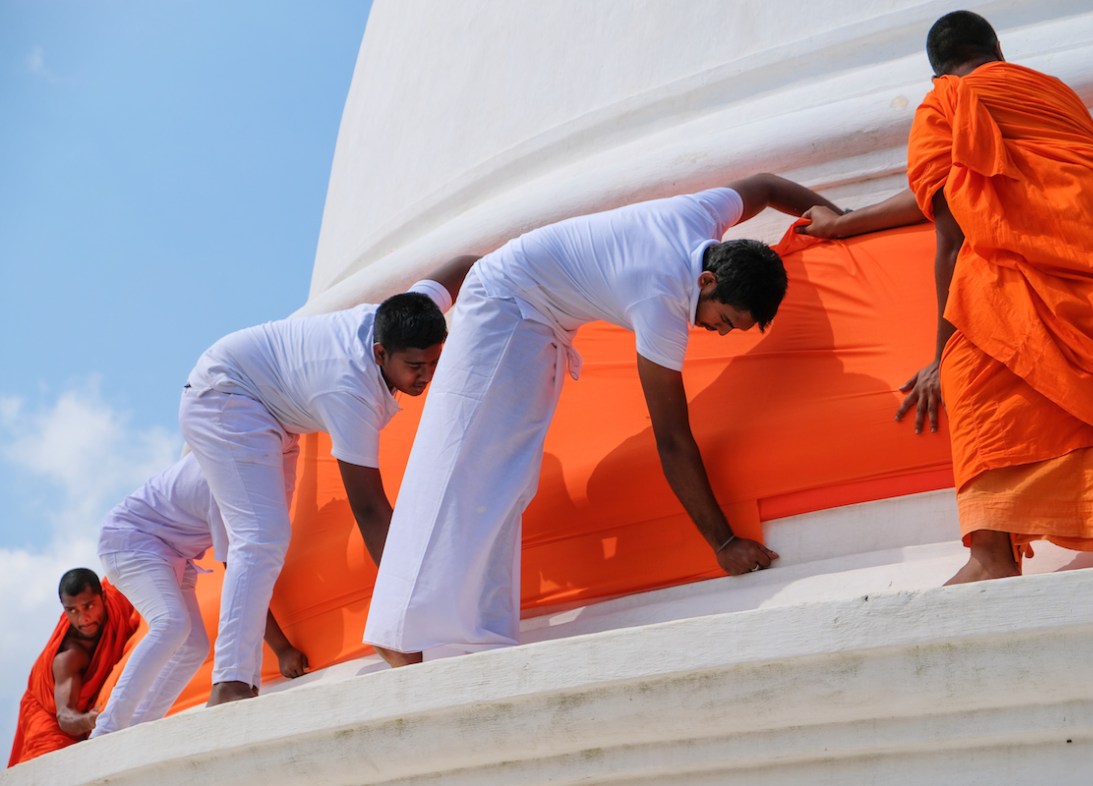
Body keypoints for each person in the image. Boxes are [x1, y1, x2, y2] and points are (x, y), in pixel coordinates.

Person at [364, 174, 844, 667]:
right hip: (504, 307)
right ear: (706, 281)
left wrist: (839, 219)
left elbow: (765, 187)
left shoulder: (700, 217)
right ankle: (400, 627)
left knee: (507, 482)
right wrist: (722, 543)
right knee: (462, 463)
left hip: (538, 317)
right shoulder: (661, 301)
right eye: (722, 320)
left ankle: (469, 636)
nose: (716, 333)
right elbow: (673, 440)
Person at [893, 10, 1093, 582]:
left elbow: (952, 237)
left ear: (936, 74)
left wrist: (938, 355)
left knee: (974, 373)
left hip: (1033, 266)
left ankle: (990, 556)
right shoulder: (1050, 91)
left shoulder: (943, 104)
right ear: (998, 51)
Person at [179, 256, 476, 704]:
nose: (427, 377)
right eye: (416, 367)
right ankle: (230, 684)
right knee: (260, 538)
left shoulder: (409, 314)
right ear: (380, 354)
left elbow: (463, 266)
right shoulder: (349, 392)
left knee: (262, 540)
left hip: (272, 409)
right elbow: (372, 511)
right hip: (226, 397)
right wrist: (413, 607)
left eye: (434, 362)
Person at [91, 452, 308, 738]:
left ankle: (136, 730)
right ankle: (107, 731)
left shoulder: (240, 458)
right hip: (132, 541)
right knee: (171, 623)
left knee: (193, 645)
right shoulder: (227, 480)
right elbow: (242, 573)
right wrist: (282, 650)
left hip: (175, 552)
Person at [8, 569, 138, 766]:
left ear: (103, 596)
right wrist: (90, 720)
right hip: (50, 717)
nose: (83, 618)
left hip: (81, 713)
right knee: (54, 767)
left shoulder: (115, 596)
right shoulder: (69, 657)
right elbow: (65, 716)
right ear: (64, 609)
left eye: (89, 606)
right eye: (73, 610)